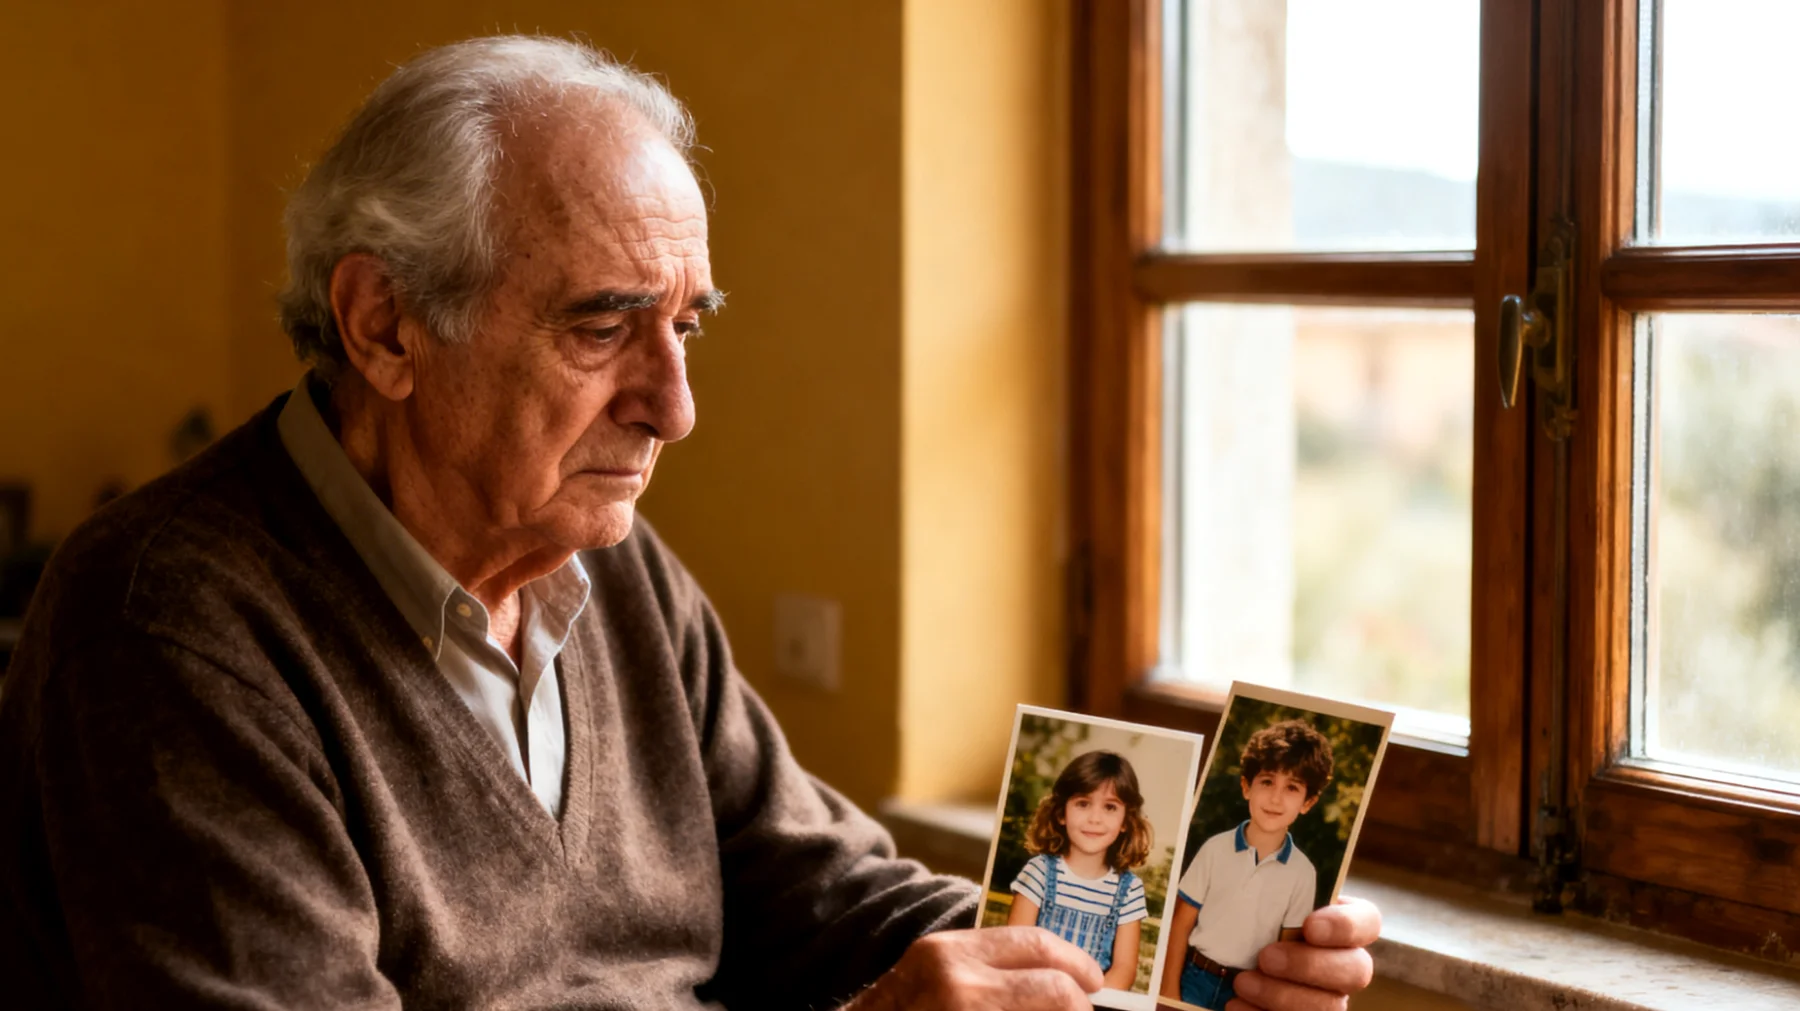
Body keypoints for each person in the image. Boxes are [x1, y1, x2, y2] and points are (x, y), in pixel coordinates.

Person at [0, 35, 1379, 1010]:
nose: (674, 406)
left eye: (688, 324)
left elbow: (819, 889)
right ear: (384, 323)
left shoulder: (608, 564)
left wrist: (1153, 971)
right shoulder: (164, 620)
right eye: (604, 323)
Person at [1160, 721, 1337, 1009]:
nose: (1276, 798)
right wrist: (1168, 991)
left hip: (1249, 990)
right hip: (1194, 977)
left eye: (1292, 787)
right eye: (1267, 781)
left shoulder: (1303, 873)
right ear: (1246, 787)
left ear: (1308, 803)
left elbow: (1287, 951)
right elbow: (1180, 924)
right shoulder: (1215, 848)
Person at [1005, 751, 1150, 991]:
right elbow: (1014, 948)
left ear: (1126, 820)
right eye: (1083, 804)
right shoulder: (1039, 871)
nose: (1095, 818)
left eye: (1110, 807)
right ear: (1061, 812)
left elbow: (1124, 969)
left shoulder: (1129, 890)